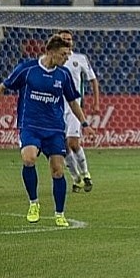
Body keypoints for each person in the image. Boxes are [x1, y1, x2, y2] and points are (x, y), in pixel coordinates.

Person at [0, 34, 96, 227]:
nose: (67, 58)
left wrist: (85, 124)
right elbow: (2, 87)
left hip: (54, 128)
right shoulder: (28, 69)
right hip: (30, 126)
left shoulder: (64, 75)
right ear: (50, 52)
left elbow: (73, 102)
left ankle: (60, 214)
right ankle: (34, 204)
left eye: (68, 54)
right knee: (29, 158)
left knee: (58, 170)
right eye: (63, 54)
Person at [58, 30, 100, 193]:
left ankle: (86, 174)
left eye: (69, 39)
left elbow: (93, 80)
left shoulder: (79, 59)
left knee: (73, 143)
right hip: (55, 107)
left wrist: (96, 102)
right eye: (63, 39)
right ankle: (76, 179)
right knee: (63, 146)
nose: (67, 41)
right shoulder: (53, 60)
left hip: (74, 107)